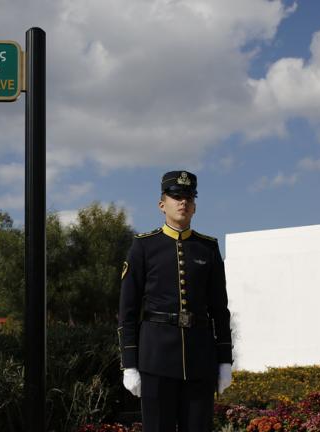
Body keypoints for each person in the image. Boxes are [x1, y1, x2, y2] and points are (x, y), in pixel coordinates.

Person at [117, 171, 233, 432]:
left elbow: (220, 310)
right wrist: (130, 364)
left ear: (195, 205)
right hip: (156, 359)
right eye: (177, 196)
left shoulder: (208, 248)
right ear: (162, 204)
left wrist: (225, 360)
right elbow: (127, 311)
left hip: (200, 359)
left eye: (189, 197)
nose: (183, 202)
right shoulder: (144, 247)